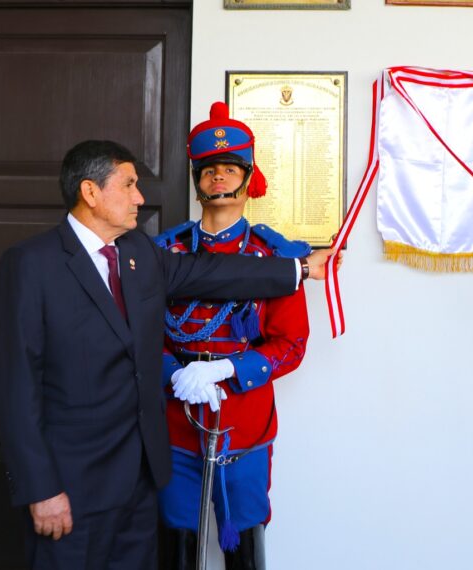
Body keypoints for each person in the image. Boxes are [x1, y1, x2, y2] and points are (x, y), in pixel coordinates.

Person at [0, 139, 334, 569]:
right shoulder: (30, 264)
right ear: (91, 193)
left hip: (140, 480)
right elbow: (15, 389)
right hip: (71, 486)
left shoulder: (138, 253)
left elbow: (210, 273)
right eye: (130, 184)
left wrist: (298, 268)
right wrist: (39, 488)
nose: (140, 197)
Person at [156, 102, 309, 569]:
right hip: (177, 419)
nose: (218, 177)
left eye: (229, 168)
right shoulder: (167, 250)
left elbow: (291, 343)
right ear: (196, 178)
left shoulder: (274, 257)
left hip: (243, 422)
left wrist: (228, 369)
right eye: (208, 169)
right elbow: (139, 331)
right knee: (174, 546)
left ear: (249, 177)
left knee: (245, 549)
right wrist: (174, 372)